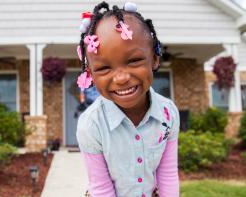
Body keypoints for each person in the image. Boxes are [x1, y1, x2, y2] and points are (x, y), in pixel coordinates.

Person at [75, 1, 180, 197]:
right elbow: (101, 189)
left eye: (133, 61)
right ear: (91, 74)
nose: (121, 78)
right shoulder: (91, 125)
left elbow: (168, 174)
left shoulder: (169, 114)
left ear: (155, 59)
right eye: (104, 68)